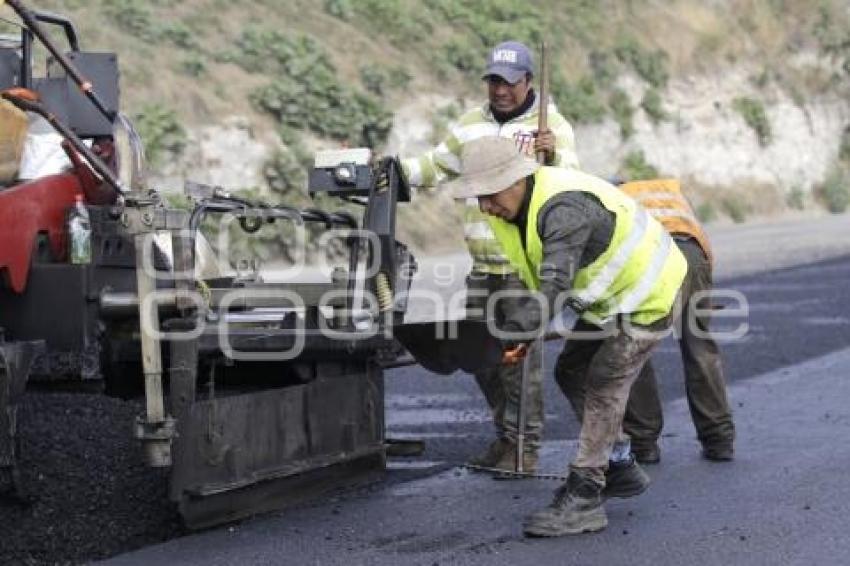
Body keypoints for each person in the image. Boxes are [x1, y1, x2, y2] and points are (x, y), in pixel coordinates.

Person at [445, 136, 687, 537]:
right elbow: (535, 281)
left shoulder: (564, 209)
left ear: (516, 180)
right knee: (571, 372)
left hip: (649, 292)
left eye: (487, 195)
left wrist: (512, 333)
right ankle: (620, 463)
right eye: (477, 197)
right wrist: (520, 332)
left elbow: (553, 285)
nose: (483, 206)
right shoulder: (508, 210)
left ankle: (586, 494)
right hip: (610, 299)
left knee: (605, 380)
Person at [401, 40, 579, 473]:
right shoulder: (469, 126)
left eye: (509, 82)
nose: (500, 90)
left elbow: (570, 188)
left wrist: (552, 154)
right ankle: (505, 439)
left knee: (520, 363)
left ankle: (525, 449)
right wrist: (389, 170)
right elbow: (434, 166)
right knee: (479, 357)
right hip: (482, 266)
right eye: (494, 81)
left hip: (521, 263)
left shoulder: (550, 126)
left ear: (528, 81)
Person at [617, 178, 735, 463]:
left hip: (649, 257)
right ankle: (719, 439)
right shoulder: (672, 192)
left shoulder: (613, 197)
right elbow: (701, 240)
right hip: (691, 254)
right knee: (699, 348)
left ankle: (643, 442)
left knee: (635, 347)